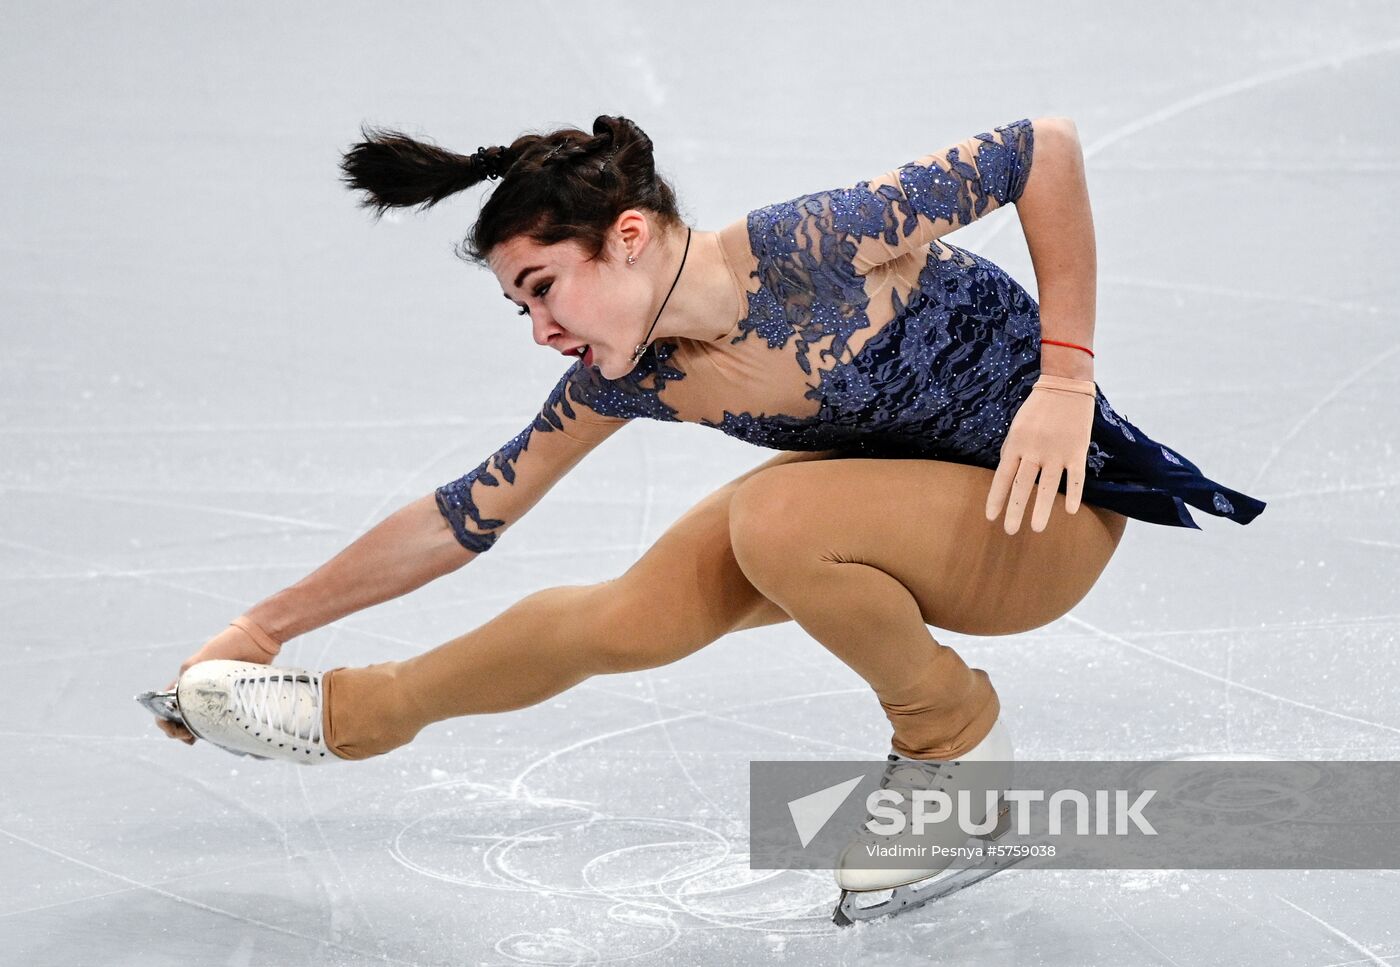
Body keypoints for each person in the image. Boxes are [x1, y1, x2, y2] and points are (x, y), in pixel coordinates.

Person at [151, 114, 1265, 892]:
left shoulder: (814, 246)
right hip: (905, 516)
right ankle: (352, 714)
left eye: (541, 287)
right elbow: (464, 513)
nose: (540, 327)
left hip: (1044, 520)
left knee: (773, 523)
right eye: (518, 308)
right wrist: (260, 629)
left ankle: (954, 749)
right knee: (628, 613)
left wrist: (1065, 377)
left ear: (624, 236)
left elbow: (1042, 150)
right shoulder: (634, 373)